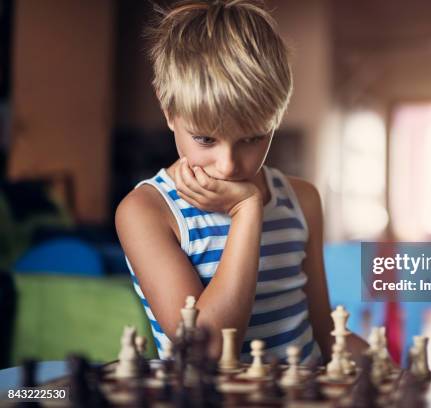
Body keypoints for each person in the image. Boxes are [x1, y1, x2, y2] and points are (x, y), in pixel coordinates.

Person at [115, 0, 367, 363]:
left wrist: (389, 369)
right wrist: (246, 211)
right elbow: (208, 349)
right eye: (205, 139)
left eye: (252, 139)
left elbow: (324, 330)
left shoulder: (302, 200)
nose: (229, 165)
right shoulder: (147, 212)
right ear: (169, 111)